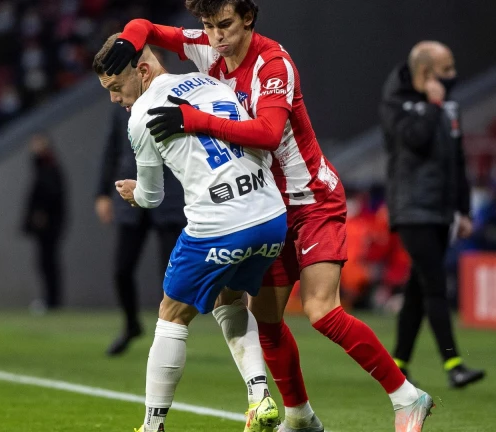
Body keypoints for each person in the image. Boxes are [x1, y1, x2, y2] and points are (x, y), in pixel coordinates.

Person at [100, 2, 431, 431]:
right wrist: (128, 42)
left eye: (225, 25)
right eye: (208, 26)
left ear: (248, 19)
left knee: (321, 310)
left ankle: (407, 397)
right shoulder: (208, 47)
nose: (216, 36)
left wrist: (193, 120)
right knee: (267, 323)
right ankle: (300, 417)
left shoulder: (273, 65)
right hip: (265, 203)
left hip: (310, 198)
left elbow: (269, 134)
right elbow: (146, 27)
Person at [95, 35, 287, 432]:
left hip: (220, 224)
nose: (114, 99)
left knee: (171, 314)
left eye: (116, 87)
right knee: (228, 298)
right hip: (270, 216)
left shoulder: (142, 113)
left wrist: (133, 192)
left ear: (142, 70)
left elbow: (151, 196)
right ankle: (260, 398)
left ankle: (152, 426)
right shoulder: (208, 81)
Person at [379, 41, 485, 388]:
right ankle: (454, 365)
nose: (454, 75)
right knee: (435, 285)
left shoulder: (450, 105)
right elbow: (415, 139)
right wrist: (433, 104)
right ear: (426, 72)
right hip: (412, 208)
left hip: (441, 209)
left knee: (418, 287)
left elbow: (457, 158)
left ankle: (398, 363)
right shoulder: (396, 102)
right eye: (447, 69)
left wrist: (464, 209)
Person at [95, 104, 185, 355]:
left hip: (169, 195)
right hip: (131, 197)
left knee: (170, 274)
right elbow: (112, 149)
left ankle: (169, 333)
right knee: (121, 269)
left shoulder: (169, 99)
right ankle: (131, 324)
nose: (114, 95)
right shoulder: (121, 107)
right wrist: (102, 193)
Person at [22, 133, 67, 311]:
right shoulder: (41, 166)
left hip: (50, 224)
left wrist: (42, 214)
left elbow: (50, 194)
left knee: (48, 262)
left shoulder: (50, 166)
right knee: (45, 262)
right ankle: (50, 299)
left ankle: (52, 300)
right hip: (46, 224)